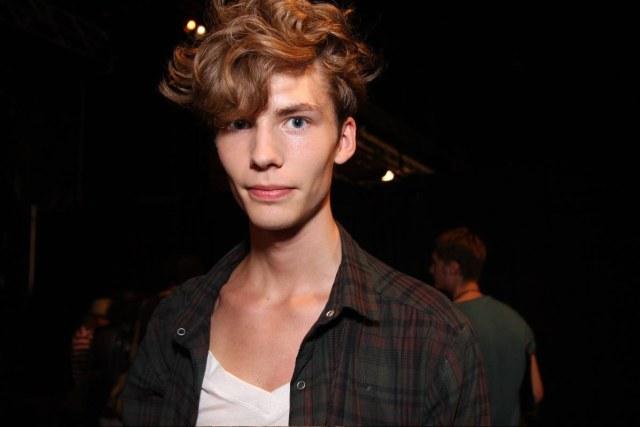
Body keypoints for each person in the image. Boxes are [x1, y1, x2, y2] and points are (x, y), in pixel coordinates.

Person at [122, 1, 490, 425]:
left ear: (344, 140)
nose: (263, 154)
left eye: (295, 121)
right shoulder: (174, 322)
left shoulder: (432, 338)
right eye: (239, 123)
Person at [430, 227, 544, 426]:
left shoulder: (445, 321)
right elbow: (536, 392)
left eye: (435, 263)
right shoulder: (517, 321)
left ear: (453, 268)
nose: (431, 270)